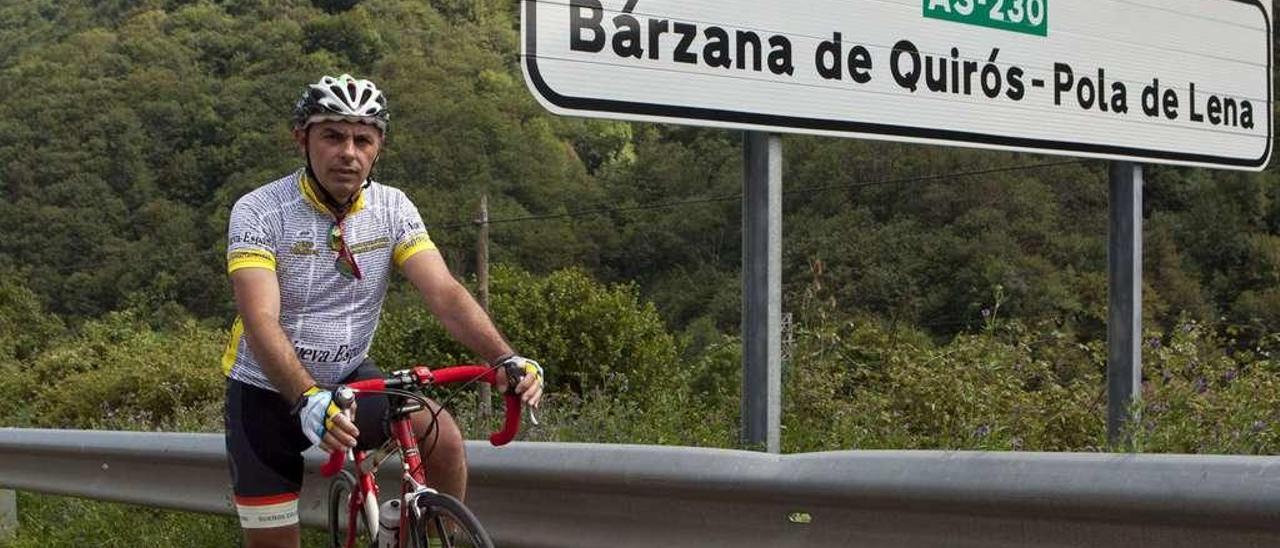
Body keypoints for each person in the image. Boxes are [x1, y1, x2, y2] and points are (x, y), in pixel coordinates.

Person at [221, 73, 543, 548]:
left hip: (350, 379)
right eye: (332, 135)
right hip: (264, 392)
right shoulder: (260, 211)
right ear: (301, 139)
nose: (347, 152)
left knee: (442, 437)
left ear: (378, 148)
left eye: (362, 139)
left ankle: (426, 537)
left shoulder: (393, 208)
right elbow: (260, 318)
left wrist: (504, 357)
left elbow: (445, 294)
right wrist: (307, 396)